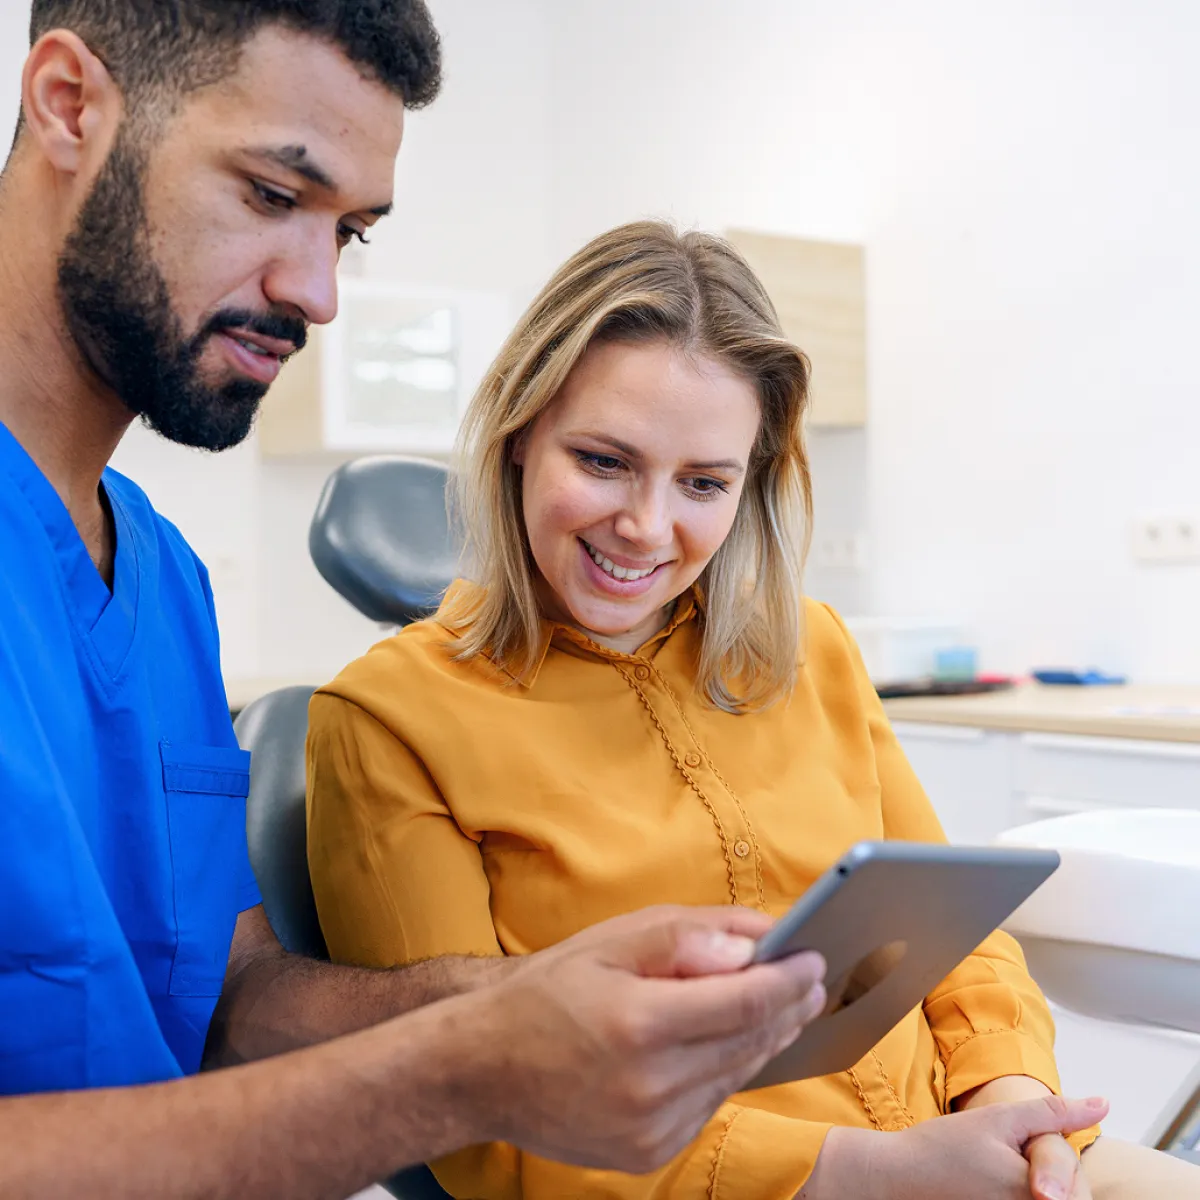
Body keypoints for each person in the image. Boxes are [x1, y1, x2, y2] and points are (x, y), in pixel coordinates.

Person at [0, 4, 836, 1196]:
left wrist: (519, 997)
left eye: (353, 233)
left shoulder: (160, 578)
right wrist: (461, 1071)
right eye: (273, 195)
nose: (318, 292)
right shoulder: (382, 717)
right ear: (69, 103)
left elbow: (229, 1005)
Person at [306, 220, 1200, 1199]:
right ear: (520, 436)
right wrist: (862, 1173)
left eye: (703, 482)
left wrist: (1008, 1097)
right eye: (604, 460)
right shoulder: (387, 719)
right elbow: (474, 1120)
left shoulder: (809, 646)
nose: (647, 526)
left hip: (965, 1152)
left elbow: (954, 932)